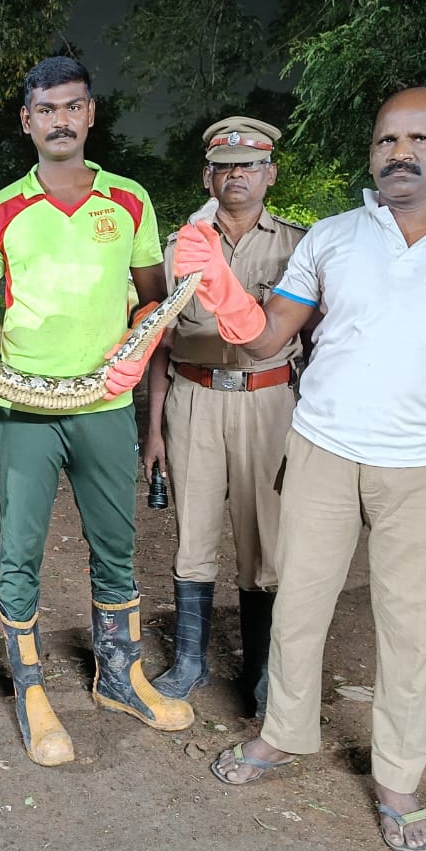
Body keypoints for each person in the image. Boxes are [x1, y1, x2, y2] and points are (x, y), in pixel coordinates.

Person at [186, 86, 426, 851]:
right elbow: (266, 339)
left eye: (420, 138)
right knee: (297, 609)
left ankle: (397, 779)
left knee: (412, 627)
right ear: (373, 152)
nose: (401, 153)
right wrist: (218, 288)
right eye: (388, 139)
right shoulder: (333, 237)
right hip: (322, 448)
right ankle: (283, 735)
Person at [0, 56, 193, 768]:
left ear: (91, 114)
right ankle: (32, 688)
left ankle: (121, 677)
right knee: (21, 551)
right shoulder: (0, 211)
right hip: (23, 406)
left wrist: (146, 339)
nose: (60, 120)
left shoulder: (130, 200)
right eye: (46, 110)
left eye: (72, 107)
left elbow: (153, 299)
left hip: (106, 404)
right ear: (27, 121)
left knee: (117, 543)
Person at [142, 117, 308, 717]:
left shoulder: (297, 245)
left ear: (269, 173)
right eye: (224, 165)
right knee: (194, 532)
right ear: (207, 175)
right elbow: (159, 342)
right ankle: (189, 660)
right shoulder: (177, 247)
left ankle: (261, 671)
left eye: (249, 164)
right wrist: (154, 427)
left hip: (270, 402)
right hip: (194, 395)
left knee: (266, 537)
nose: (236, 175)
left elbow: (317, 343)